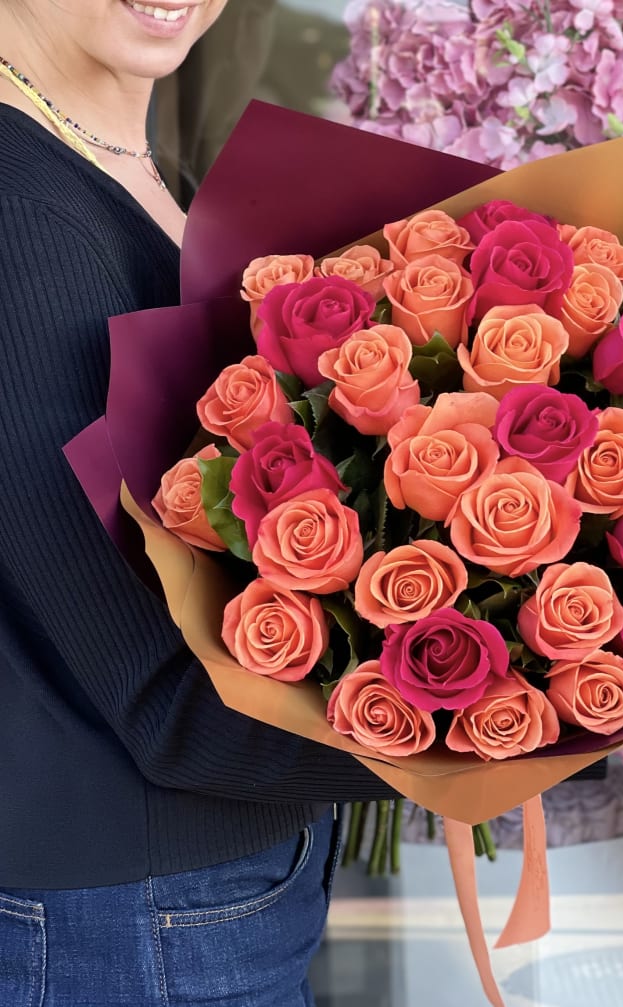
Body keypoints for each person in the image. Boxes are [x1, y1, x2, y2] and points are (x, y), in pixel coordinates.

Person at [0, 2, 396, 1004]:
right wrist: (541, 716)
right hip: (128, 916)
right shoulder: (19, 218)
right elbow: (164, 701)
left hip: (181, 890)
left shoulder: (119, 157)